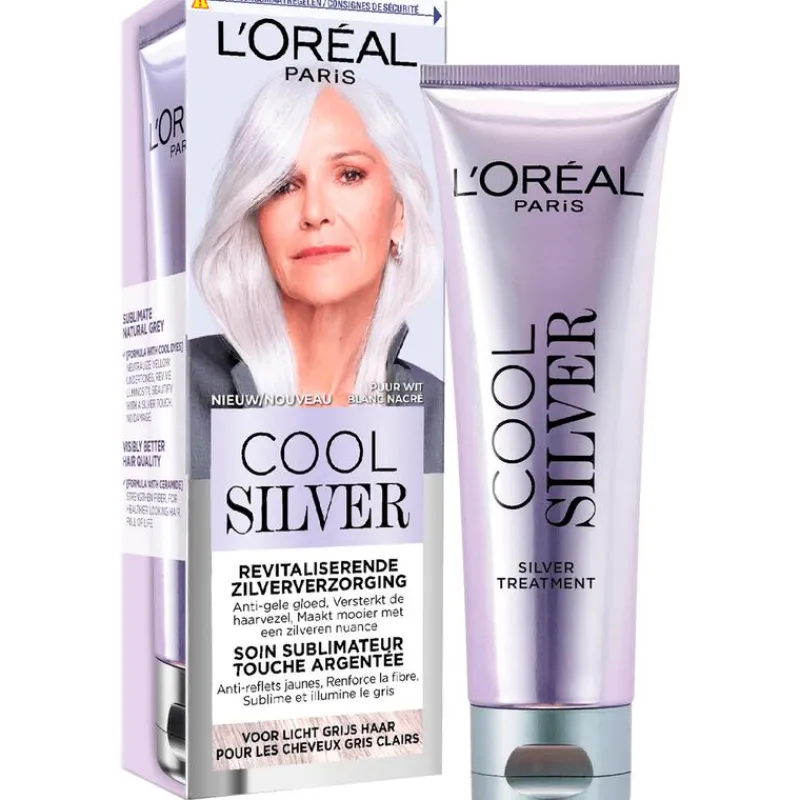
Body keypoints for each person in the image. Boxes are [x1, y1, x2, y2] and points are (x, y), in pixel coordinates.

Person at [190, 79, 443, 478]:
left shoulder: (441, 417)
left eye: (349, 175)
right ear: (255, 218)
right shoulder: (180, 390)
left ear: (399, 213)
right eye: (284, 185)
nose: (314, 212)